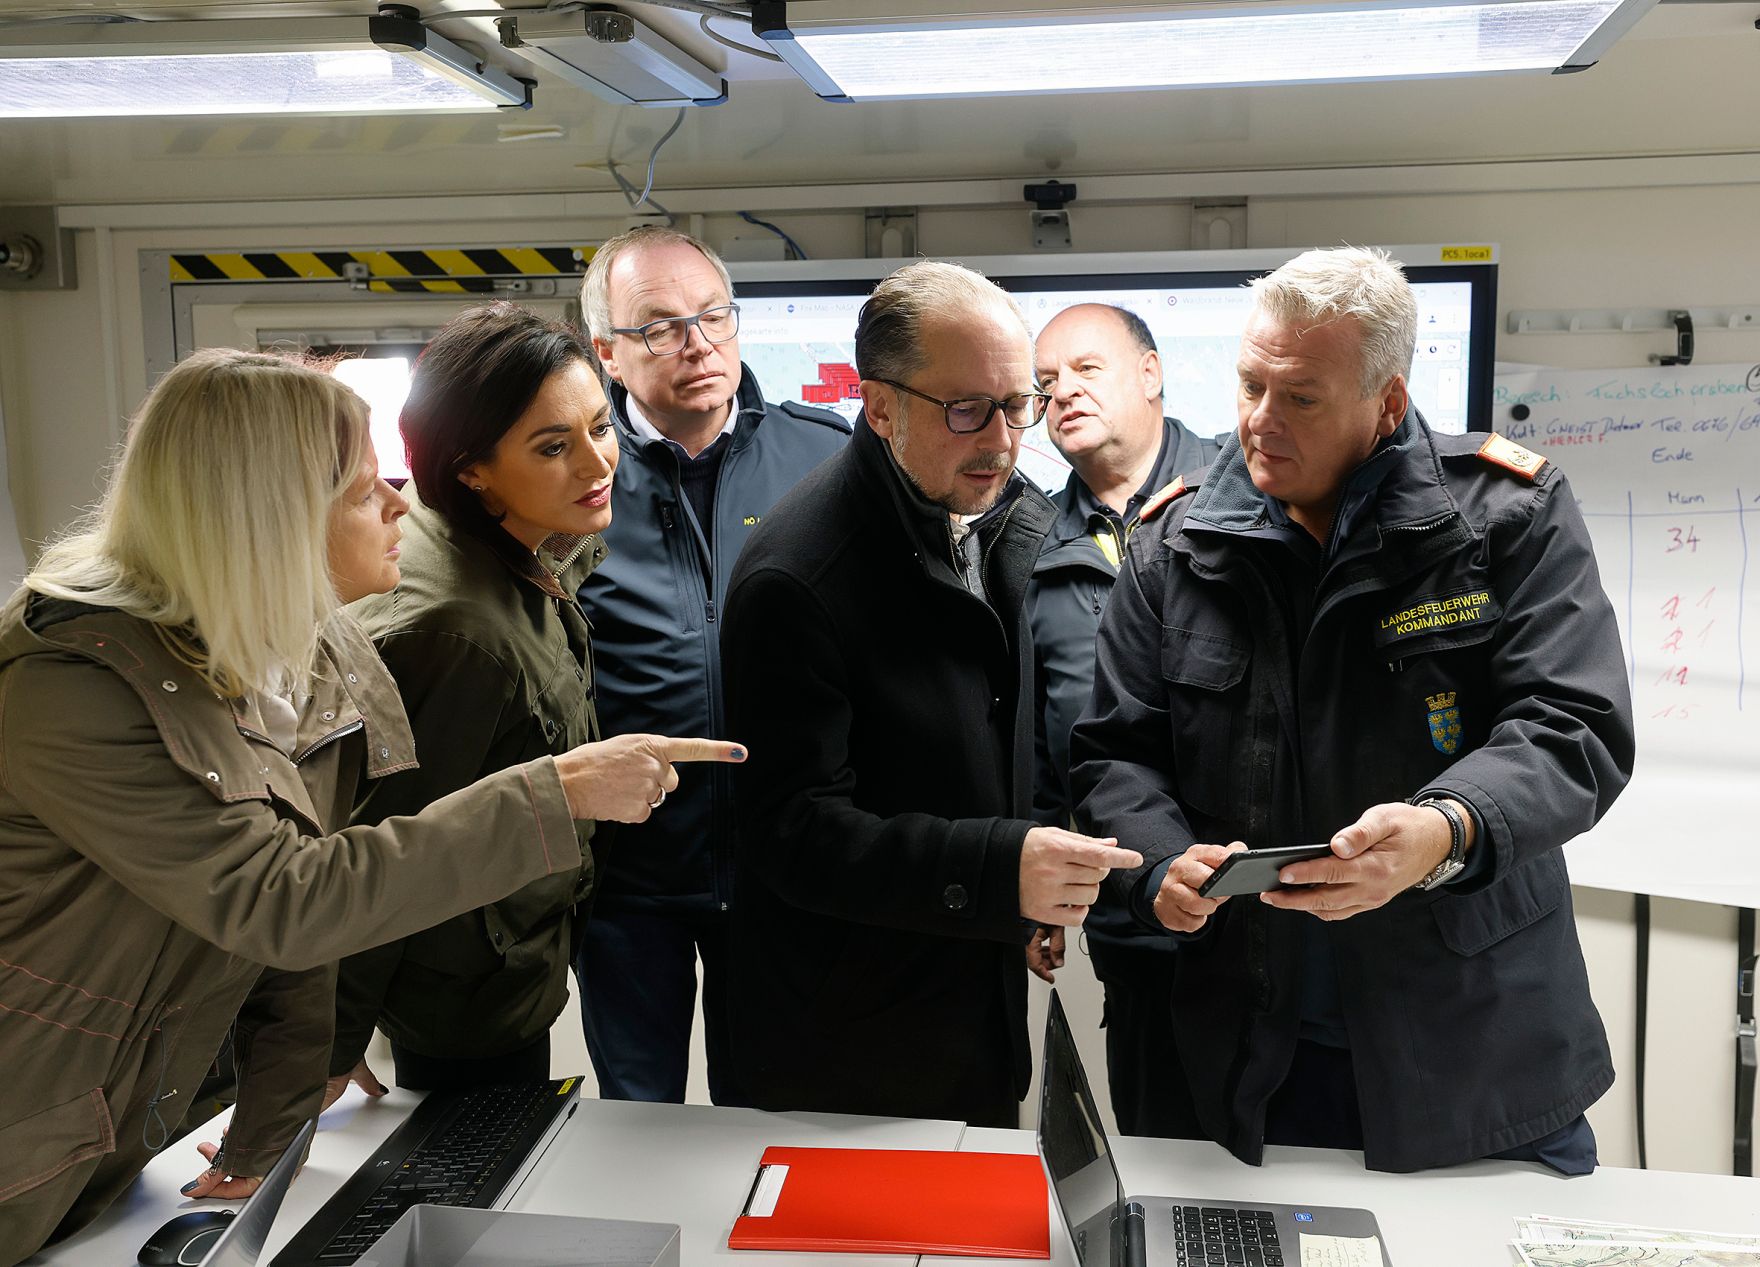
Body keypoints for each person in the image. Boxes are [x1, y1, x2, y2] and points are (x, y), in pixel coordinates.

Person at [0, 349, 741, 1266]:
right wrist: (556, 792)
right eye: (362, 491)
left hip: (131, 1128)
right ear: (261, 522)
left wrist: (269, 1127)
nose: (400, 504)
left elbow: (312, 906)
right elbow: (283, 897)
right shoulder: (70, 688)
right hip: (30, 1141)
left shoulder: (309, 647)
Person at [1071, 247, 1635, 1173]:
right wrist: (1162, 863)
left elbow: (1573, 726)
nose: (1258, 421)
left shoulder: (1501, 520)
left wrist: (1445, 829)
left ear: (1387, 402)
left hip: (1472, 1050)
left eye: (1300, 397)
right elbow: (1115, 752)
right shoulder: (1176, 542)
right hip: (1247, 1053)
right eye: (1250, 384)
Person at [721, 260, 1142, 1127]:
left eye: (1018, 403)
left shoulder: (996, 511)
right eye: (966, 410)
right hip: (851, 1044)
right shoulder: (799, 579)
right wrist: (1000, 870)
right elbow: (790, 834)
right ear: (879, 407)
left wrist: (1023, 885)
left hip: (971, 995)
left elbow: (982, 737)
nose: (1001, 438)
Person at [315, 301, 708, 1100]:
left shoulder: (513, 541)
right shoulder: (457, 629)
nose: (598, 465)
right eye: (552, 447)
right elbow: (381, 850)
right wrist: (322, 1044)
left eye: (600, 428)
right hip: (461, 995)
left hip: (504, 962)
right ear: (470, 467)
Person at [573, 227, 848, 1104]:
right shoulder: (575, 480)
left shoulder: (826, 456)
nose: (697, 342)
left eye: (713, 315)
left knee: (779, 1116)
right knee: (638, 1116)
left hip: (784, 870)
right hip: (630, 878)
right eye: (660, 326)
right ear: (607, 353)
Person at [1029, 302, 1222, 1140]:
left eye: (1085, 371)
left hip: (1267, 909)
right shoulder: (1028, 542)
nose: (1062, 393)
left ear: (1151, 372)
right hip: (1134, 919)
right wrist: (1033, 888)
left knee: (1297, 1175)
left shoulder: (1245, 491)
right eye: (1044, 385)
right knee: (1165, 1159)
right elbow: (1037, 736)